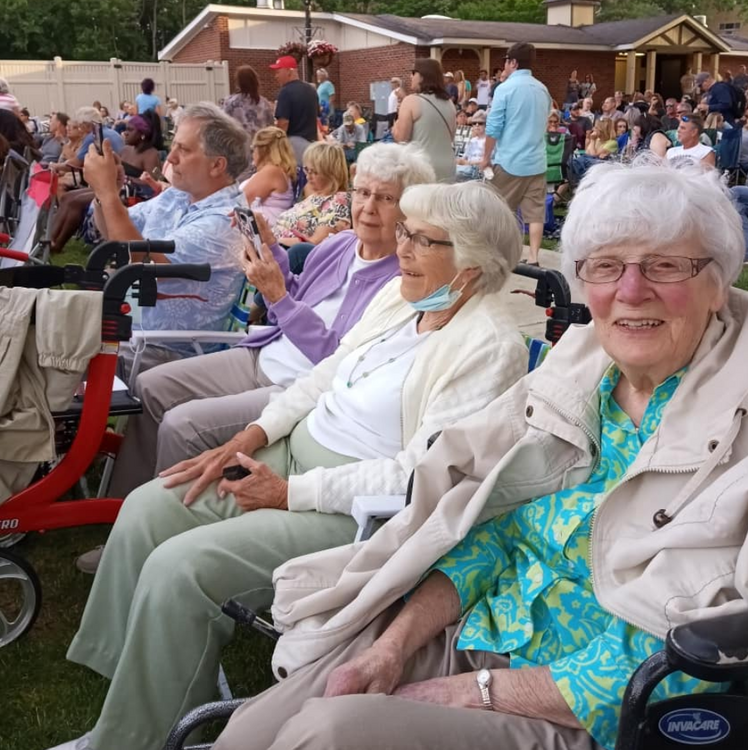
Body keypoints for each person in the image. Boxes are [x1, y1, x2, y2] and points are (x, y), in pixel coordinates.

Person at [212, 157, 748, 750]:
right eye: (606, 266)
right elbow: (492, 527)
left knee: (327, 734)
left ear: (718, 281)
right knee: (255, 729)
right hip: (474, 627)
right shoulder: (582, 373)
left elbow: (709, 646)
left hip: (596, 708)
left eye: (665, 265)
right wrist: (393, 647)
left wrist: (479, 691)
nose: (629, 290)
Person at [54, 180, 530, 750]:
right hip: (291, 452)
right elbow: (323, 378)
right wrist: (250, 437)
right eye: (404, 232)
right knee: (148, 508)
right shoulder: (404, 300)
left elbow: (420, 474)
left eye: (421, 239)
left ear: (471, 267)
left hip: (348, 506)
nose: (401, 248)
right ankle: (129, 690)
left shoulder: (489, 344)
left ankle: (135, 735)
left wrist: (290, 493)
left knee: (182, 568)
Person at [77, 141, 434, 516]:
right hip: (263, 353)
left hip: (298, 386)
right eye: (362, 192)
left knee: (181, 426)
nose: (369, 207)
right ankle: (119, 506)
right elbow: (296, 291)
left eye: (385, 198)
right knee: (151, 386)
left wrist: (278, 296)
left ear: (407, 209)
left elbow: (341, 358)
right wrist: (269, 248)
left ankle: (160, 519)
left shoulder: (402, 278)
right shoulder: (342, 245)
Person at [82, 102, 248, 378]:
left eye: (183, 149)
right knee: (50, 335)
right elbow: (114, 231)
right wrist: (104, 193)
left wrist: (108, 192)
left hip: (170, 351)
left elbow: (139, 265)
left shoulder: (224, 221)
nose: (170, 158)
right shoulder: (180, 195)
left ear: (217, 165)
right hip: (137, 331)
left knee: (60, 355)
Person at [482, 42, 551, 267]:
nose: (504, 65)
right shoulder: (542, 89)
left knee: (497, 210)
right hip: (537, 161)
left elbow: (493, 128)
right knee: (535, 213)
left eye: (506, 61)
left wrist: (485, 158)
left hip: (509, 160)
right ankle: (533, 256)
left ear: (513, 62)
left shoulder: (505, 89)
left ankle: (495, 254)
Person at [273, 141, 351, 248]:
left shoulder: (338, 199)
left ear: (330, 173)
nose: (308, 177)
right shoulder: (315, 194)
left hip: (288, 253)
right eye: (306, 170)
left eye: (314, 172)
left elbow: (315, 243)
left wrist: (274, 242)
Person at [394, 58, 456, 183]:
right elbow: (451, 136)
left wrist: (395, 126)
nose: (410, 76)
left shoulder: (410, 101)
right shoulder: (449, 103)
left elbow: (401, 139)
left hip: (421, 169)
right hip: (448, 166)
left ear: (422, 76)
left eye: (413, 72)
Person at [240, 126, 296, 228]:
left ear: (262, 150)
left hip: (263, 229)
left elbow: (241, 202)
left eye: (254, 148)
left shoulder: (272, 171)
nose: (253, 153)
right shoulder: (277, 171)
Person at [49, 106, 124, 180]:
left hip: (106, 179)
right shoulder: (112, 132)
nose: (80, 129)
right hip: (118, 176)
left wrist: (54, 166)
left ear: (86, 124)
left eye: (80, 126)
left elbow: (75, 164)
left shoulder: (92, 137)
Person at [270, 55, 318, 165]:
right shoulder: (311, 90)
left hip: (293, 146)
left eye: (278, 72)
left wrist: (276, 146)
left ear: (288, 71)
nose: (275, 76)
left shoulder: (285, 92)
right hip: (311, 145)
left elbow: (283, 123)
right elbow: (316, 119)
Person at [222, 64, 275, 148]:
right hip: (259, 148)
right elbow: (271, 127)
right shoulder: (264, 103)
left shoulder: (229, 102)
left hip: (237, 148)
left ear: (238, 82)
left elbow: (224, 126)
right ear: (255, 81)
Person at [570, 118, 618, 182]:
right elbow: (587, 152)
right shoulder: (597, 139)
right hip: (589, 162)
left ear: (602, 129)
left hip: (599, 166)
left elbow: (593, 156)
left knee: (579, 162)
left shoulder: (612, 143)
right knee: (577, 161)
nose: (593, 129)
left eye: (596, 127)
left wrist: (592, 140)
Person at [455, 110, 486, 180]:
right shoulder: (472, 141)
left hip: (478, 170)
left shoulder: (488, 141)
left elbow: (487, 160)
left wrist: (468, 163)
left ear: (485, 125)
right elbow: (464, 157)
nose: (477, 125)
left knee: (454, 173)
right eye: (474, 123)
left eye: (480, 123)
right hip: (467, 168)